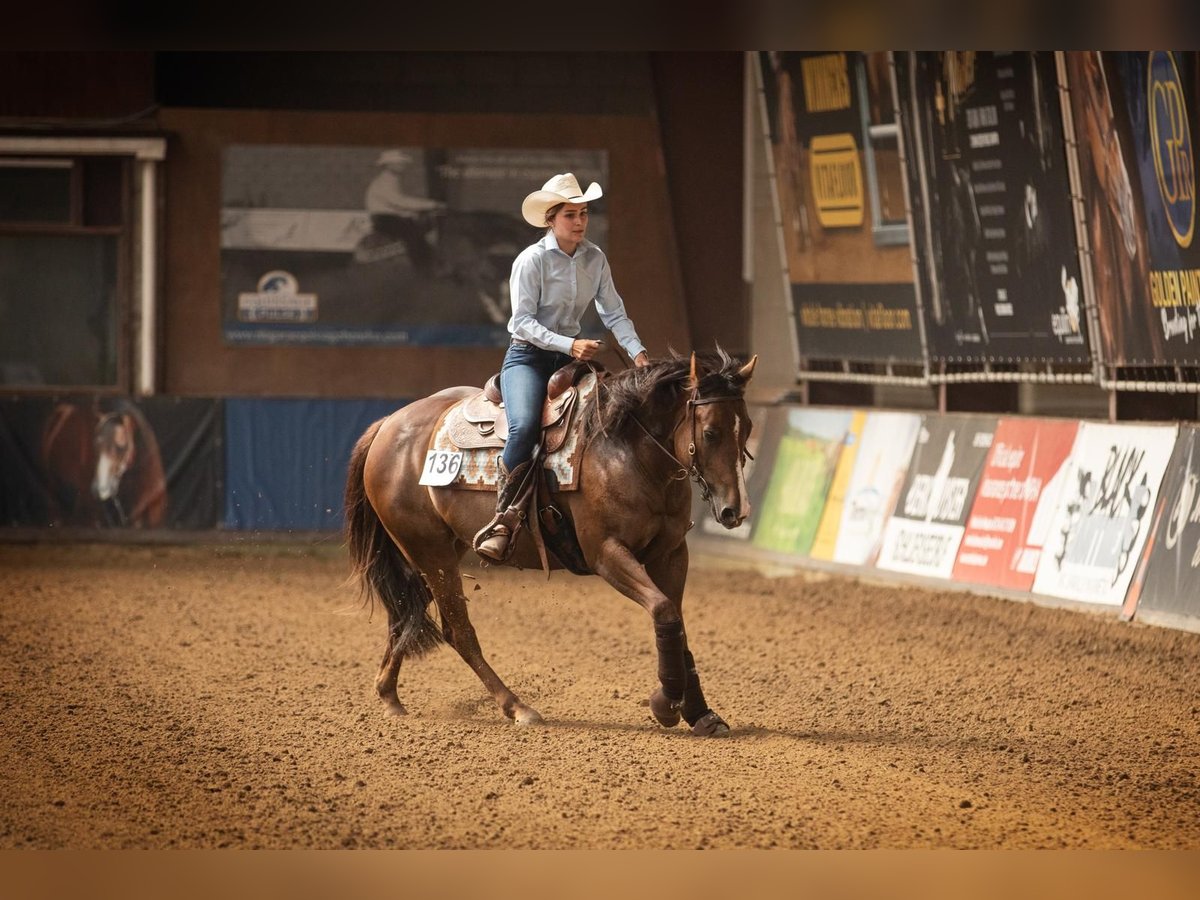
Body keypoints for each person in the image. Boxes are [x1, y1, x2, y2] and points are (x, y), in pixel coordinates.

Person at [474, 172, 651, 562]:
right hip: (528, 357)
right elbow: (521, 323)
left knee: (611, 422)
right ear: (551, 219)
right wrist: (569, 343)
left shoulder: (595, 258)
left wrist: (638, 354)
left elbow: (615, 314)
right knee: (523, 427)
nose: (579, 221)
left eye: (584, 213)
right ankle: (504, 517)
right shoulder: (531, 260)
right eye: (570, 214)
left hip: (572, 359)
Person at [363, 149, 445, 273]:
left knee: (423, 226)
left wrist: (417, 211)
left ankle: (429, 263)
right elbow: (398, 201)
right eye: (398, 163)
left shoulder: (390, 179)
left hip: (389, 217)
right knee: (414, 234)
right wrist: (431, 204)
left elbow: (397, 205)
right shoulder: (384, 181)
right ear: (388, 165)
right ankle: (423, 269)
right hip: (385, 219)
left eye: (401, 163)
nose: (402, 165)